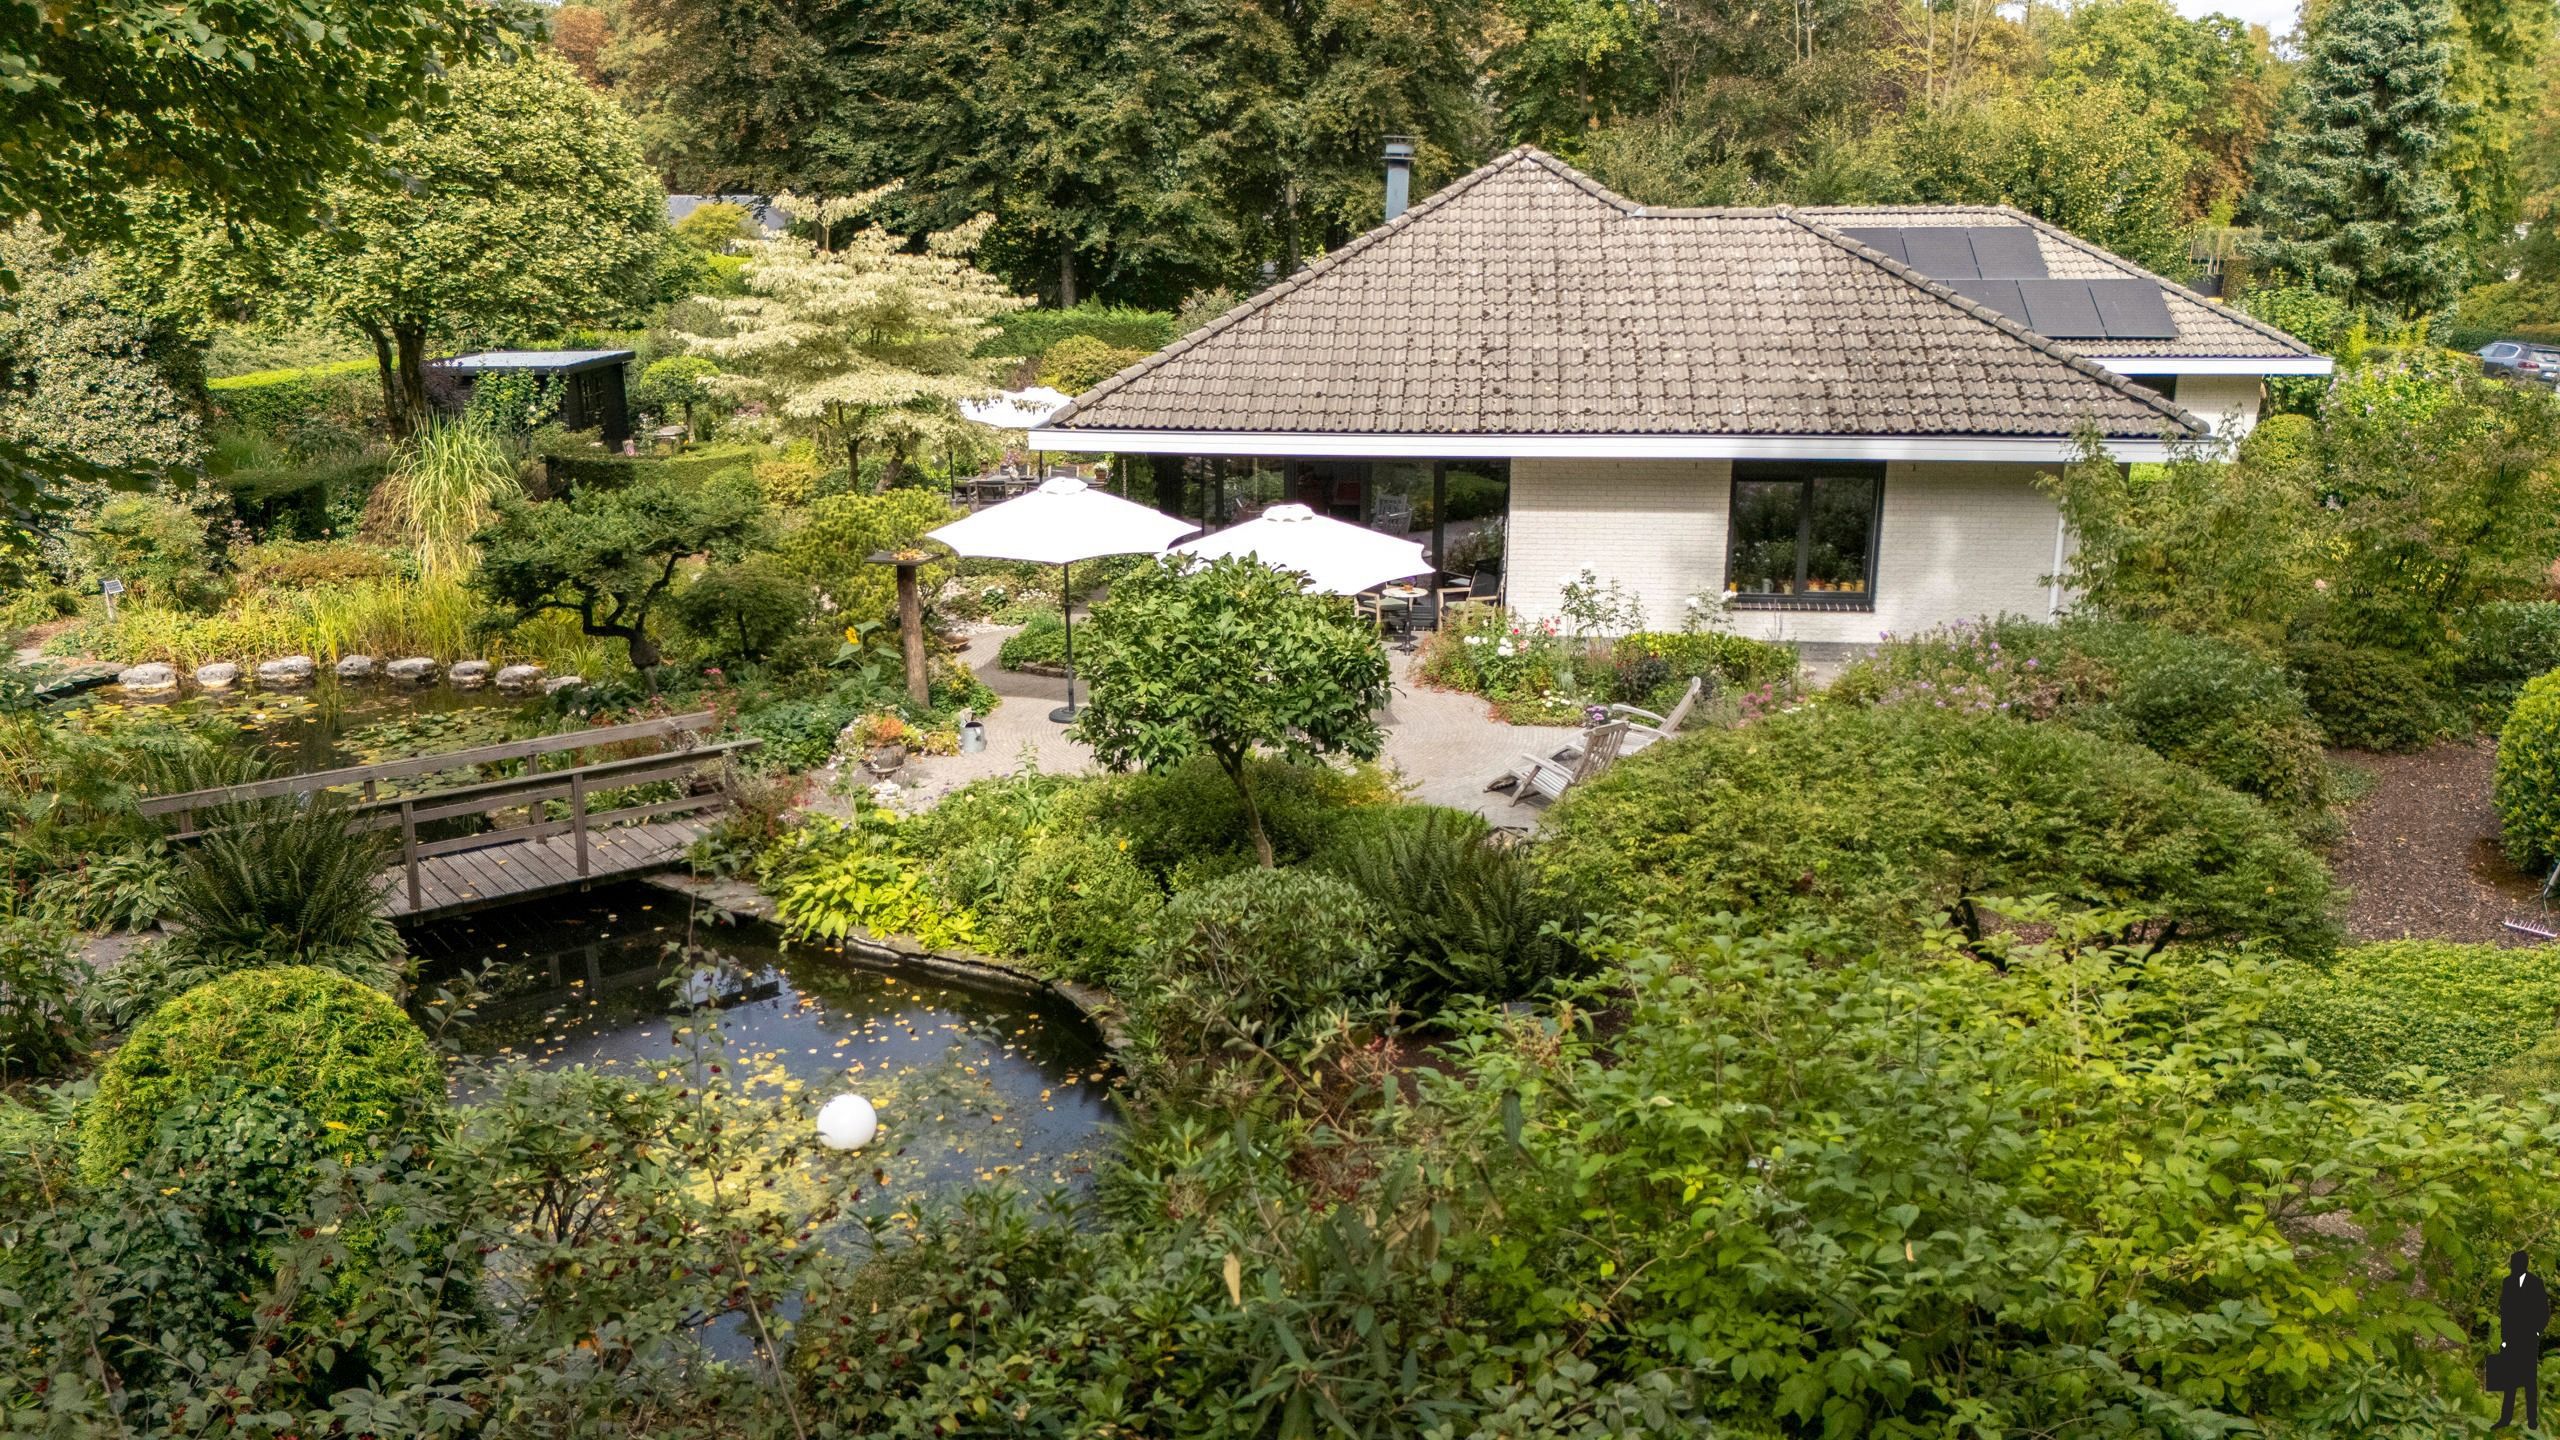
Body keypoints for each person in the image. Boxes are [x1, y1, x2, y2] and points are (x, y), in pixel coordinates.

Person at [2496, 1250, 2549, 1429]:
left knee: (2529, 1381)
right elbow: (2505, 1312)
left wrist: (2536, 1332)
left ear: (2523, 1265)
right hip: (2511, 1339)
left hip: (2528, 1339)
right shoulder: (2508, 1283)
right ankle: (2505, 1418)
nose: (2513, 1266)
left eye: (2516, 1263)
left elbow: (2544, 1311)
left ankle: (2532, 1420)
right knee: (2509, 1380)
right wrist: (2504, 1338)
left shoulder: (2536, 1283)